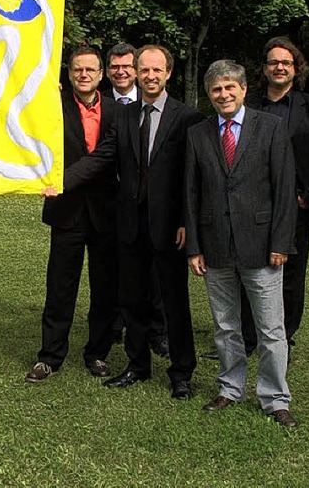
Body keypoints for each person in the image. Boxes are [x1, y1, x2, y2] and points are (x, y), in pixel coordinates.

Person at [58, 45, 201, 400]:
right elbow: (103, 156)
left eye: (157, 70)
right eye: (144, 70)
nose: (150, 76)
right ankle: (137, 365)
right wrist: (62, 181)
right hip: (128, 223)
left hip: (169, 226)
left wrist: (186, 220)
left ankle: (181, 372)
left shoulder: (186, 117)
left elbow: (191, 176)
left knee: (173, 302)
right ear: (136, 72)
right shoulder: (123, 116)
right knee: (132, 298)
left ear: (169, 73)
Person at [185, 59, 297, 427]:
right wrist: (195, 247)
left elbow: (284, 190)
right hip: (215, 245)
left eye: (230, 87)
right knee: (226, 326)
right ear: (209, 95)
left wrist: (281, 241)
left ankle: (274, 397)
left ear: (244, 89)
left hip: (262, 246)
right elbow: (191, 194)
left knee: (270, 329)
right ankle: (230, 388)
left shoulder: (270, 128)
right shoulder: (198, 134)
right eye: (216, 89)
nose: (224, 94)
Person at [26, 45, 120, 383]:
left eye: (90, 70)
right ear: (68, 74)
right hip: (66, 212)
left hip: (106, 213)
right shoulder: (52, 108)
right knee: (60, 287)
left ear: (101, 74)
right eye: (77, 69)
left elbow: (107, 158)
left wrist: (63, 181)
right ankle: (49, 356)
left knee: (105, 288)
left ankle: (97, 353)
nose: (84, 75)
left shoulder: (116, 111)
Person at [241, 37, 309, 355]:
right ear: (265, 68)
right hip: (253, 203)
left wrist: (308, 196)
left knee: (291, 272)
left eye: (286, 62)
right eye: (273, 62)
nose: (279, 67)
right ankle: (248, 334)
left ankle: (285, 333)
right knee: (248, 267)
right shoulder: (248, 105)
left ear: (296, 69)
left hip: (297, 204)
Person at [105, 42, 169, 358]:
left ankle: (159, 333)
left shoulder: (171, 112)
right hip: (118, 205)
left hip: (157, 213)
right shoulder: (108, 107)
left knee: (157, 278)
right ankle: (122, 331)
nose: (122, 72)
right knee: (123, 273)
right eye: (114, 66)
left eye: (128, 66)